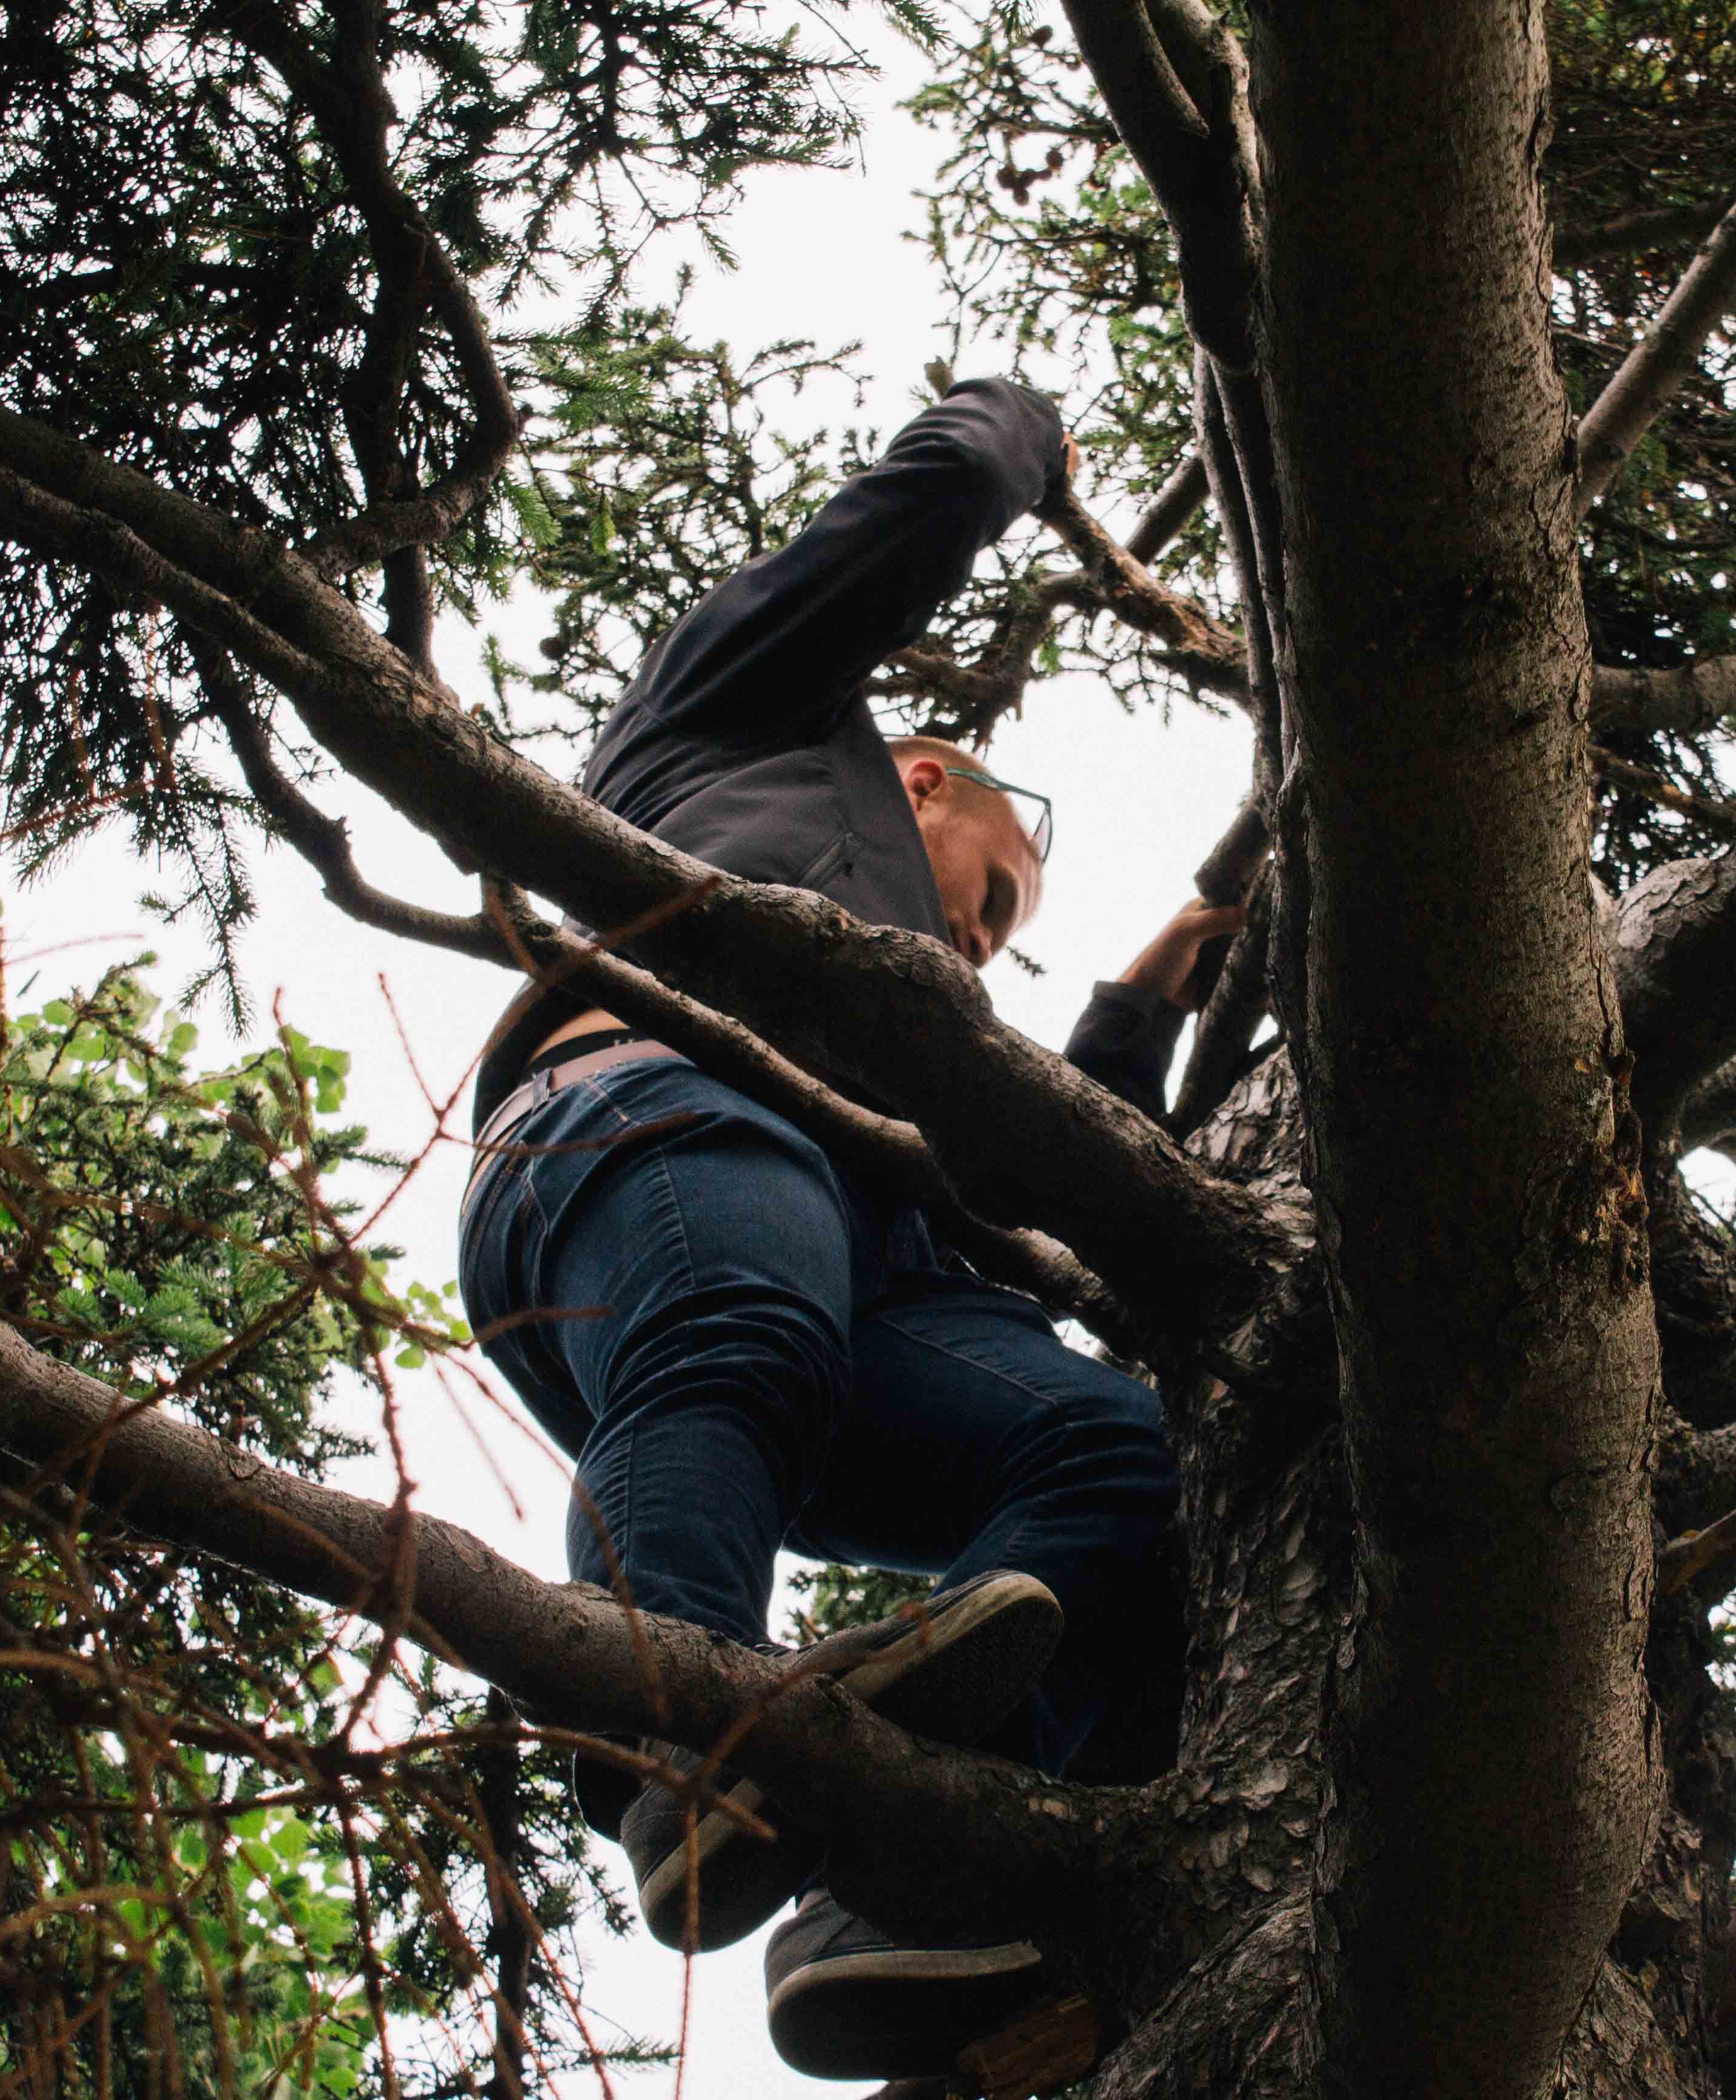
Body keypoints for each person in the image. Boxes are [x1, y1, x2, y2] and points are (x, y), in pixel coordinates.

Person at [456, 377, 1236, 2081]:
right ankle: (687, 1747)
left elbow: (1076, 1187)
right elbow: (911, 511)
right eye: (996, 896)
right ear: (926, 780)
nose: (987, 945)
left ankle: (903, 1886)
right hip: (658, 1115)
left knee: (1129, 1455)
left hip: (873, 1262)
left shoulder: (932, 1036)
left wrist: (1150, 987)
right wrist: (1019, 430)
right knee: (744, 1323)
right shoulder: (743, 729)